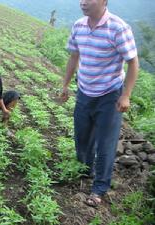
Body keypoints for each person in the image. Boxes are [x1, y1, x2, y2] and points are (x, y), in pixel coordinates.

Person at [61, 0, 139, 207]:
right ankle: (86, 170)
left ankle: (99, 188)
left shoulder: (118, 27)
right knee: (82, 136)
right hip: (84, 91)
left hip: (110, 94)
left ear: (104, 1)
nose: (83, 2)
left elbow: (133, 62)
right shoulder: (78, 25)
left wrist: (126, 95)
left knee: (105, 143)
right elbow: (74, 56)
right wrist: (65, 85)